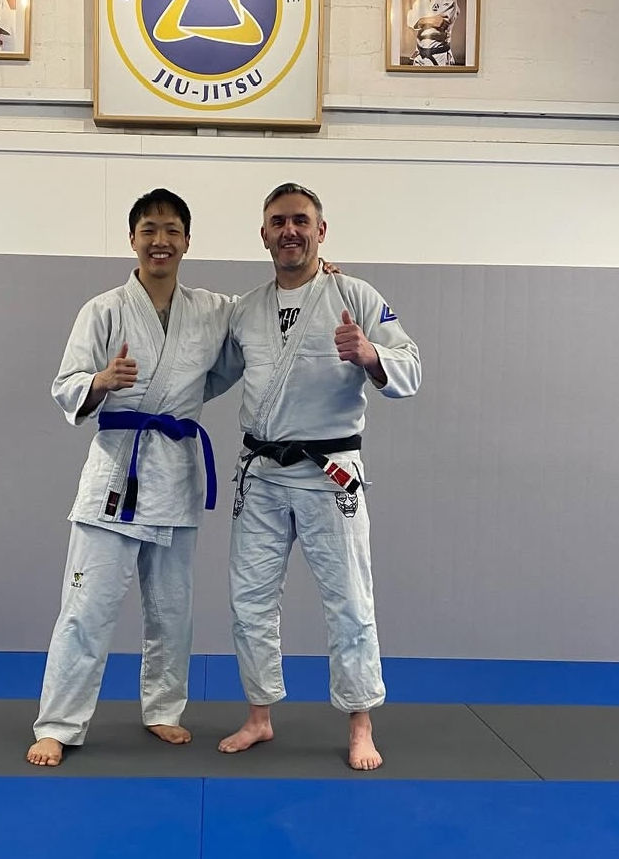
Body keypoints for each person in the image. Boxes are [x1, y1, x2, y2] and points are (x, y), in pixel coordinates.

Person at [26, 189, 237, 766]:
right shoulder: (102, 310)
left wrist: (318, 276)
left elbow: (263, 317)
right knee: (86, 608)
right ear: (132, 239)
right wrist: (100, 381)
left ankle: (164, 708)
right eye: (149, 230)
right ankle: (59, 723)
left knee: (172, 608)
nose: (160, 241)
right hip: (118, 471)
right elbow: (66, 384)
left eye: (171, 230)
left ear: (187, 241)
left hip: (176, 475)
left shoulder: (212, 309)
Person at [215, 182, 421, 770]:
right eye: (279, 221)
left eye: (301, 221)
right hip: (261, 474)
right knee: (249, 600)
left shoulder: (354, 294)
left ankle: (360, 722)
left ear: (321, 231)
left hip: (329, 474)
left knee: (350, 600)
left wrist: (370, 355)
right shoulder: (246, 309)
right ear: (263, 234)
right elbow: (212, 374)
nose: (290, 231)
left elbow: (411, 367)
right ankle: (259, 715)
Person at [406, 0, 459, 66]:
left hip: (438, 57)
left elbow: (439, 23)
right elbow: (410, 20)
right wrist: (428, 20)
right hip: (419, 54)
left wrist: (419, 20)